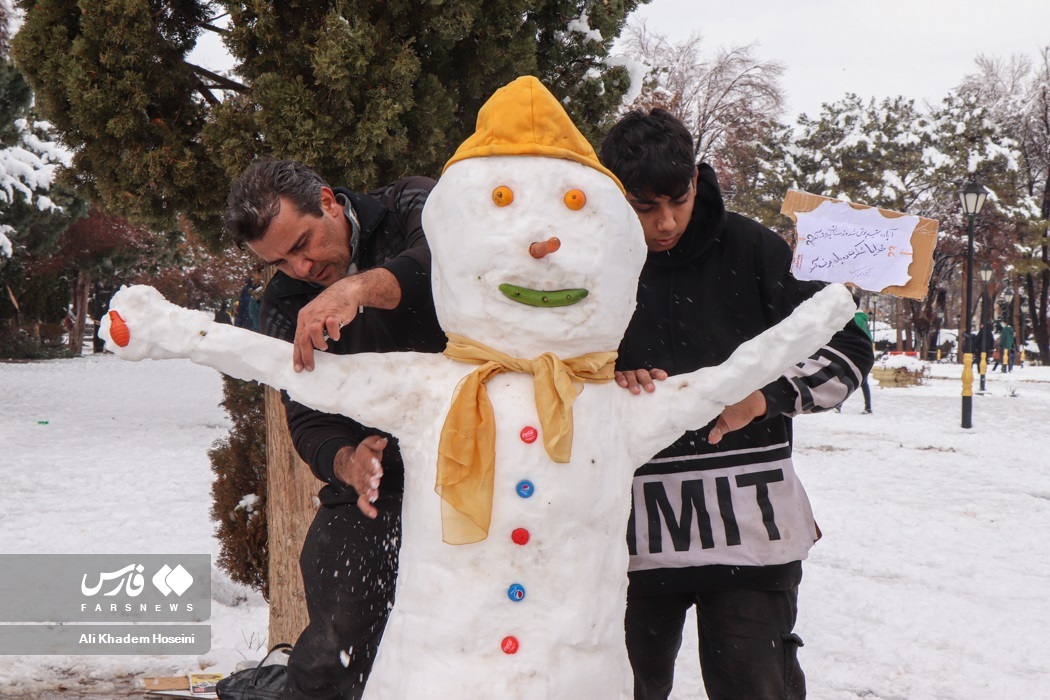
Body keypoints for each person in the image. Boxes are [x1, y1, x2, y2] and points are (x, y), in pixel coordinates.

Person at [599, 109, 874, 700]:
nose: (665, 222)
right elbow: (545, 376)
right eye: (643, 208)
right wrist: (604, 383)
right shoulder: (588, 264)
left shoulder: (755, 249)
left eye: (678, 200)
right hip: (628, 540)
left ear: (696, 180)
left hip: (751, 534)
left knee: (755, 688)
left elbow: (849, 347)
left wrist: (766, 398)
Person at [224, 159, 446, 700]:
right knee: (335, 630)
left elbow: (450, 261)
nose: (300, 268)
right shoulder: (284, 301)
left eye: (302, 244)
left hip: (482, 457)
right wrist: (348, 462)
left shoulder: (411, 204)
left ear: (327, 201)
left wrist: (358, 289)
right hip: (379, 480)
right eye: (279, 261)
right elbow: (307, 415)